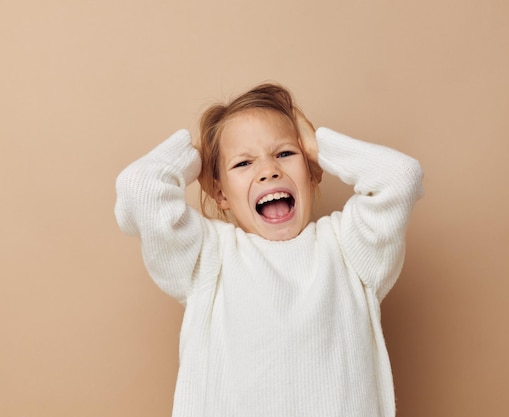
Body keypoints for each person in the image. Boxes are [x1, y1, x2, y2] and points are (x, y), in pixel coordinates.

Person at [114, 83, 424, 417]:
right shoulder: (209, 257)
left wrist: (319, 145)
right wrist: (197, 155)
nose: (268, 170)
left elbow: (401, 177)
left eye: (285, 154)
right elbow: (139, 188)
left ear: (312, 172)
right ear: (219, 193)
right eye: (243, 163)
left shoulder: (349, 248)